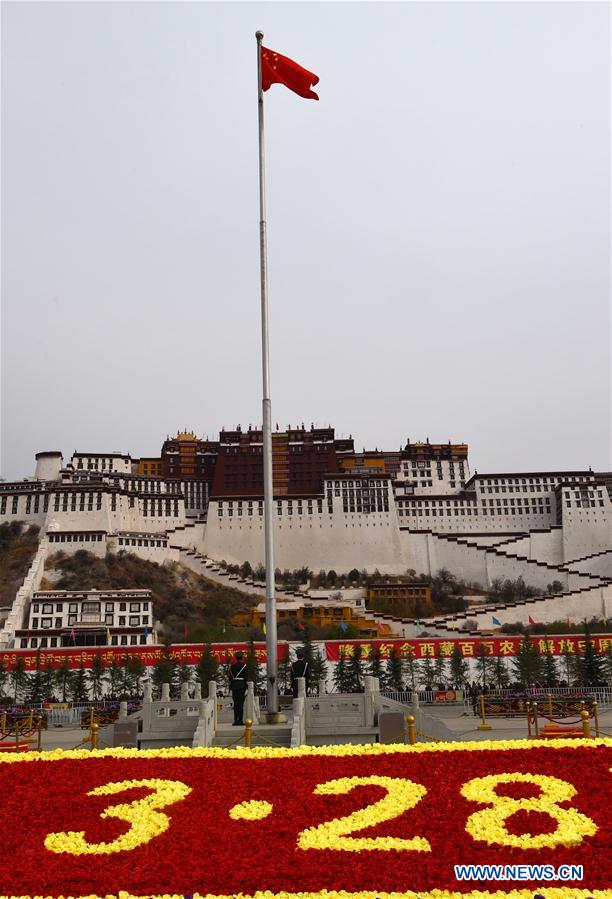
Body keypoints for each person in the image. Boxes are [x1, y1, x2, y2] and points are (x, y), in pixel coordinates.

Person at [229, 651, 247, 726]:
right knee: (241, 704)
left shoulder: (231, 667)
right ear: (242, 658)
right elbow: (246, 677)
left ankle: (235, 720)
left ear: (236, 658)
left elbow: (230, 678)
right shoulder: (244, 666)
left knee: (235, 704)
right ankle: (240, 720)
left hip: (234, 686)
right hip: (241, 686)